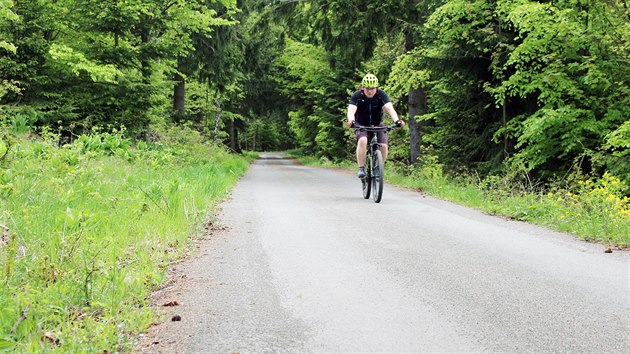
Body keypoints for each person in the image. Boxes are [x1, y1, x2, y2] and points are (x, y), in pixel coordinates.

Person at [346, 74, 405, 178]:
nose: (370, 91)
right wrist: (351, 120)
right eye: (367, 88)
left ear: (376, 88)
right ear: (363, 87)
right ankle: (361, 167)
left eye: (372, 88)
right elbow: (351, 110)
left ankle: (379, 167)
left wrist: (397, 121)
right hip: (361, 124)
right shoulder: (357, 96)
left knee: (384, 145)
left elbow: (389, 108)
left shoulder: (381, 95)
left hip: (377, 124)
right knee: (363, 140)